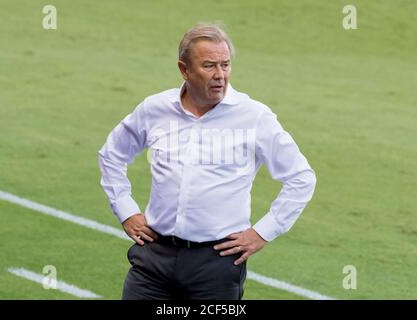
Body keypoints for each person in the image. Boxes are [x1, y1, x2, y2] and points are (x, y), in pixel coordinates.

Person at [98, 23, 316, 300]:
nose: (220, 75)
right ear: (184, 69)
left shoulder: (254, 117)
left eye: (225, 65)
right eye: (209, 66)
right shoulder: (155, 109)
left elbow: (301, 177)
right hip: (153, 259)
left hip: (216, 266)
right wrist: (126, 210)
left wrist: (263, 232)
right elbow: (112, 154)